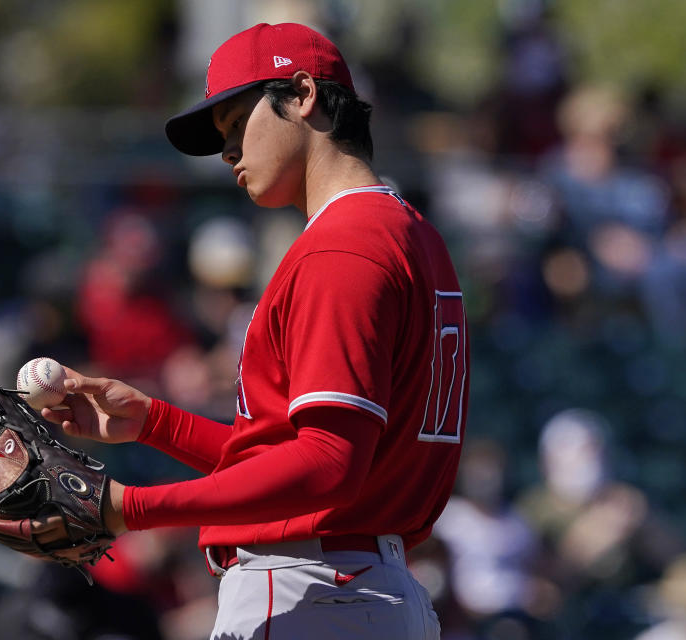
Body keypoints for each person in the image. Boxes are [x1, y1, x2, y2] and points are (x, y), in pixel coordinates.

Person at [44, 23, 469, 639]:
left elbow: (328, 465)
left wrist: (127, 509)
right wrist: (157, 424)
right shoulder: (412, 235)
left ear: (301, 96)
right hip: (361, 587)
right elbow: (312, 464)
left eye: (238, 122)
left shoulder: (341, 249)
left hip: (311, 593)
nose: (227, 153)